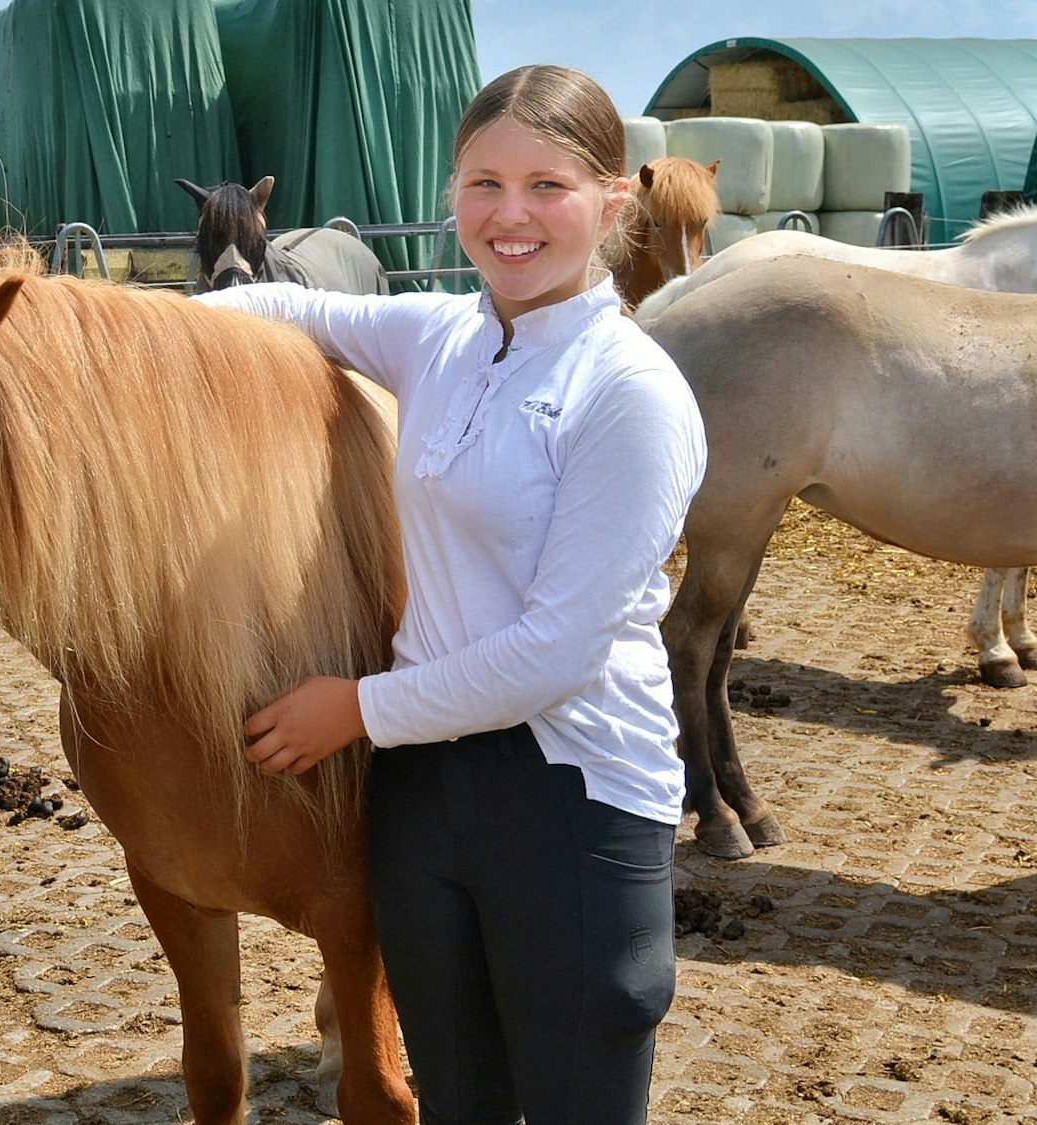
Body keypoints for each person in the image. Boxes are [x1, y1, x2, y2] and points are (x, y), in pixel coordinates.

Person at [193, 64, 705, 1124]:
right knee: (458, 1099)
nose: (510, 216)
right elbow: (286, 304)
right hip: (424, 791)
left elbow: (554, 652)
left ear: (613, 200)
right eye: (483, 184)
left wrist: (355, 707)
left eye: (546, 186)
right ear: (453, 194)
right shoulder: (441, 337)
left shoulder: (630, 391)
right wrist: (105, 329)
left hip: (571, 792)